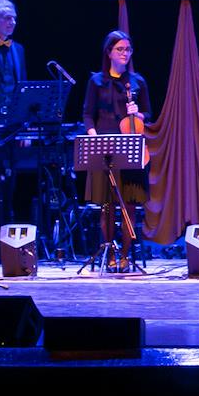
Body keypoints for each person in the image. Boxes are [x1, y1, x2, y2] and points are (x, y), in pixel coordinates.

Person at [82, 31, 150, 271]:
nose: (125, 53)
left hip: (130, 147)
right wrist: (93, 136)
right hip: (104, 148)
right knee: (107, 206)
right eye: (120, 49)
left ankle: (125, 255)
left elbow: (148, 114)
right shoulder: (96, 81)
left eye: (128, 49)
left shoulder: (137, 82)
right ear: (109, 52)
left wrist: (138, 113)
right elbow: (88, 114)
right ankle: (109, 253)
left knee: (129, 205)